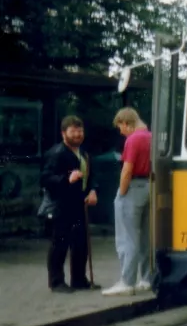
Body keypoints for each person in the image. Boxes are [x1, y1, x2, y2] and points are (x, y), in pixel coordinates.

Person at [40, 115, 99, 293]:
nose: (77, 135)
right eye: (73, 131)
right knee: (60, 243)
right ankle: (57, 282)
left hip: (79, 204)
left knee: (80, 243)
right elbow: (45, 179)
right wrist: (67, 179)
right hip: (62, 206)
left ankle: (79, 279)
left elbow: (91, 177)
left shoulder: (84, 154)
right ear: (63, 133)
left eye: (80, 131)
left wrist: (93, 190)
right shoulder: (56, 153)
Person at [103, 107, 152, 297]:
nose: (121, 132)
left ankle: (127, 281)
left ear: (126, 122)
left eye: (120, 127)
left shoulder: (133, 140)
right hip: (150, 186)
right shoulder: (151, 136)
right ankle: (147, 278)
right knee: (146, 237)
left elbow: (127, 170)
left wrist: (121, 193)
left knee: (127, 237)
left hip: (133, 188)